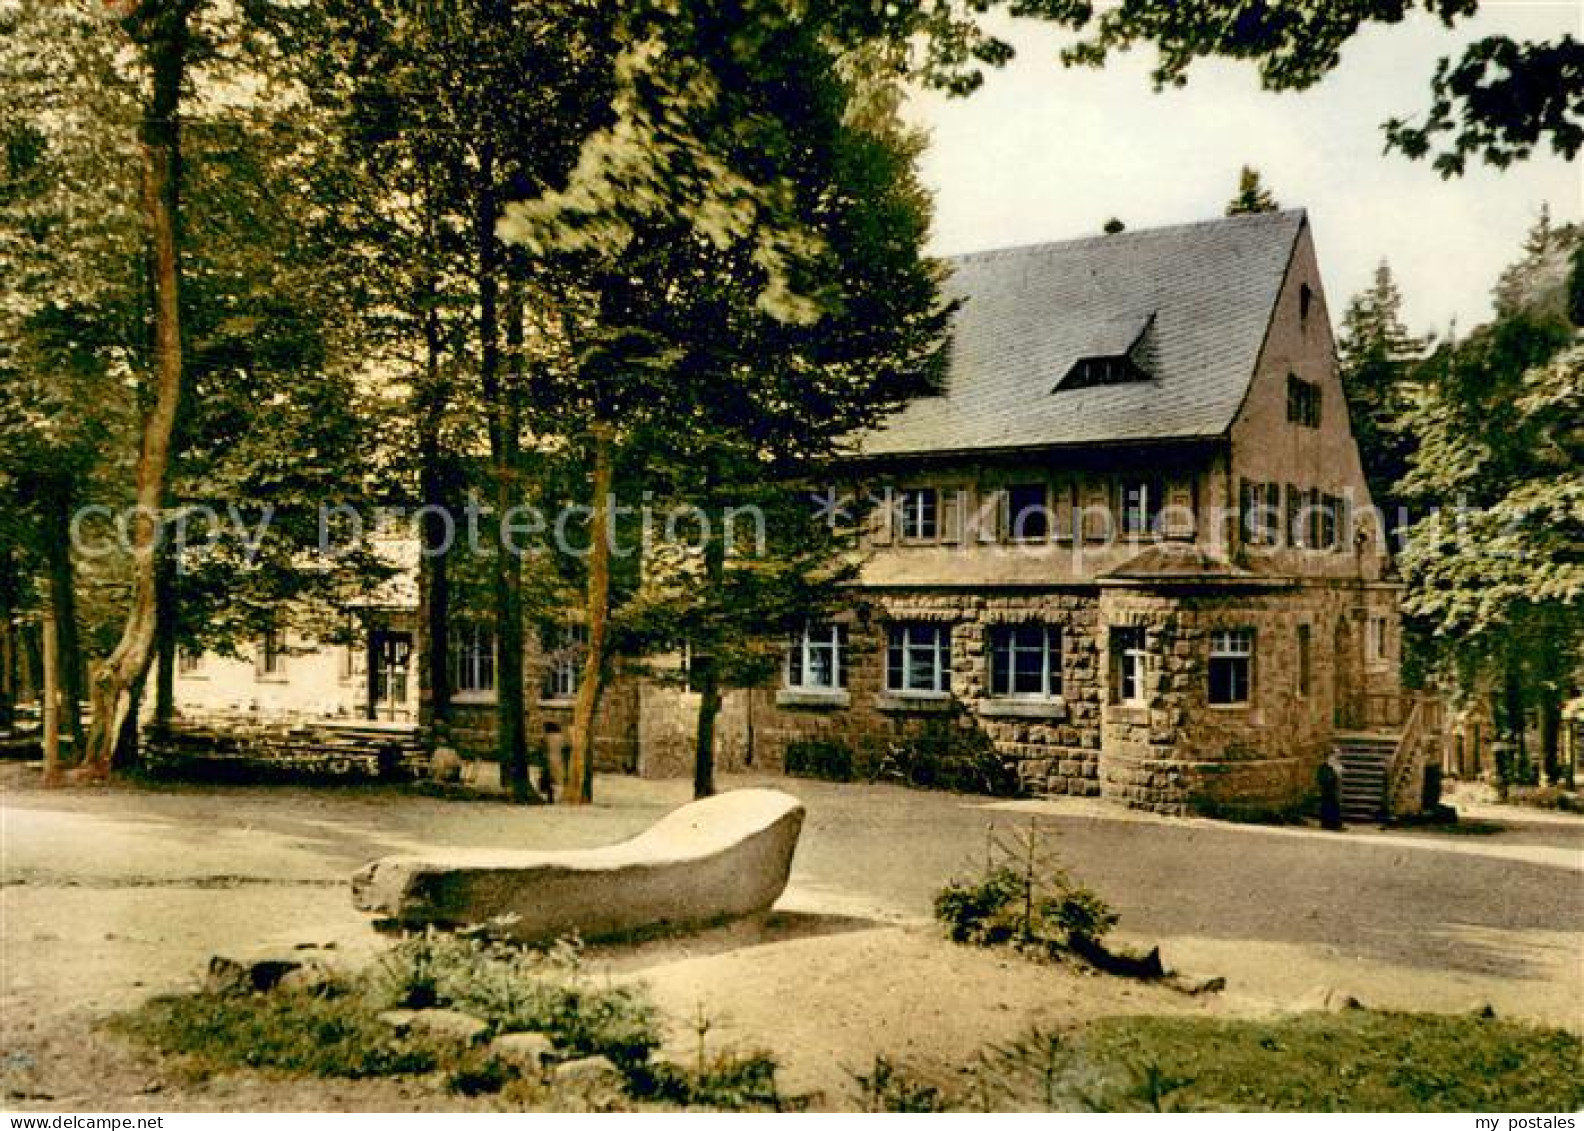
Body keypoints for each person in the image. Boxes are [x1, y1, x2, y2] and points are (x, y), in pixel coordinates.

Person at [1318, 752, 1344, 831]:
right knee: (1328, 806)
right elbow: (1324, 779)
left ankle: (1335, 824)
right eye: (1332, 757)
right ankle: (1328, 824)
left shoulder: (1333, 767)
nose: (1334, 759)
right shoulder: (1324, 767)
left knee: (1335, 807)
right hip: (1327, 791)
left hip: (1333, 790)